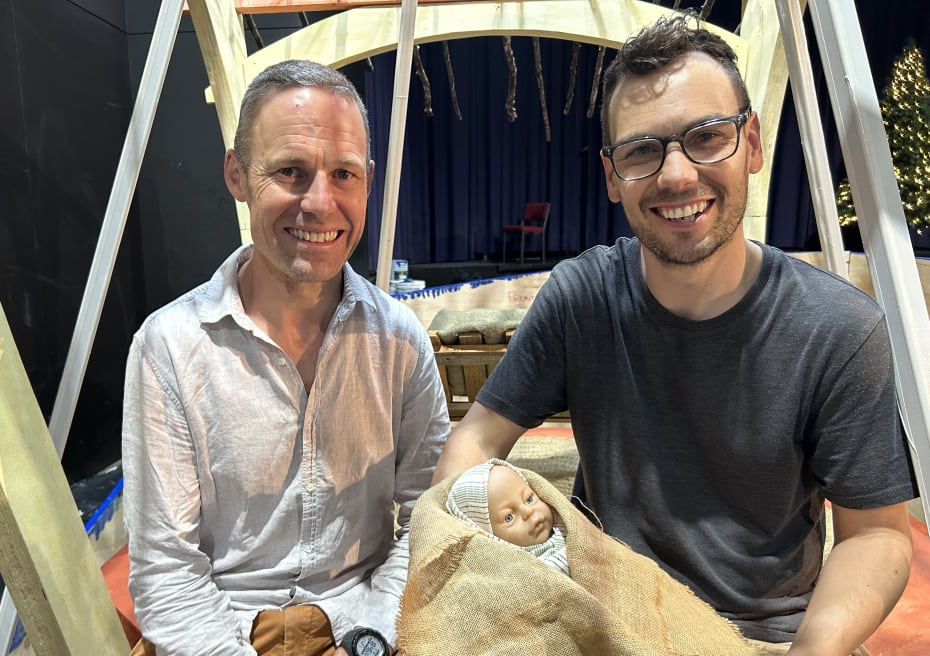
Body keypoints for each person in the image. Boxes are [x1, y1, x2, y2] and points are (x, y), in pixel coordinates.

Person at [432, 14, 917, 656]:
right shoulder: (583, 298)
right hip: (603, 618)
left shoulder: (840, 331)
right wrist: (458, 545)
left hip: (763, 638)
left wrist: (815, 649)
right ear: (612, 176)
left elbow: (874, 536)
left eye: (706, 137)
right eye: (642, 150)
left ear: (752, 143)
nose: (677, 175)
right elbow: (478, 434)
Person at [122, 59, 450, 656]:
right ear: (237, 175)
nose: (321, 204)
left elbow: (430, 518)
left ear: (368, 182)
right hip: (220, 628)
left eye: (344, 175)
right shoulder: (168, 346)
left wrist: (372, 637)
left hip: (366, 620)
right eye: (291, 172)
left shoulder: (402, 340)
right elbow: (167, 569)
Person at [445, 459, 570, 575]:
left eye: (529, 499)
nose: (528, 511)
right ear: (487, 536)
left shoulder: (568, 530)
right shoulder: (514, 573)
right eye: (509, 517)